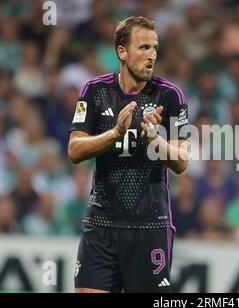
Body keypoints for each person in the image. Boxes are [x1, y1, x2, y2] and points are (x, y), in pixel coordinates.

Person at [68, 16, 189, 293]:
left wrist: (155, 139)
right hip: (101, 224)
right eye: (144, 47)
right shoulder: (95, 92)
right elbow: (74, 150)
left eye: (155, 48)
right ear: (121, 52)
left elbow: (182, 162)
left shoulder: (170, 96)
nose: (152, 56)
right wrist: (114, 134)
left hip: (149, 226)